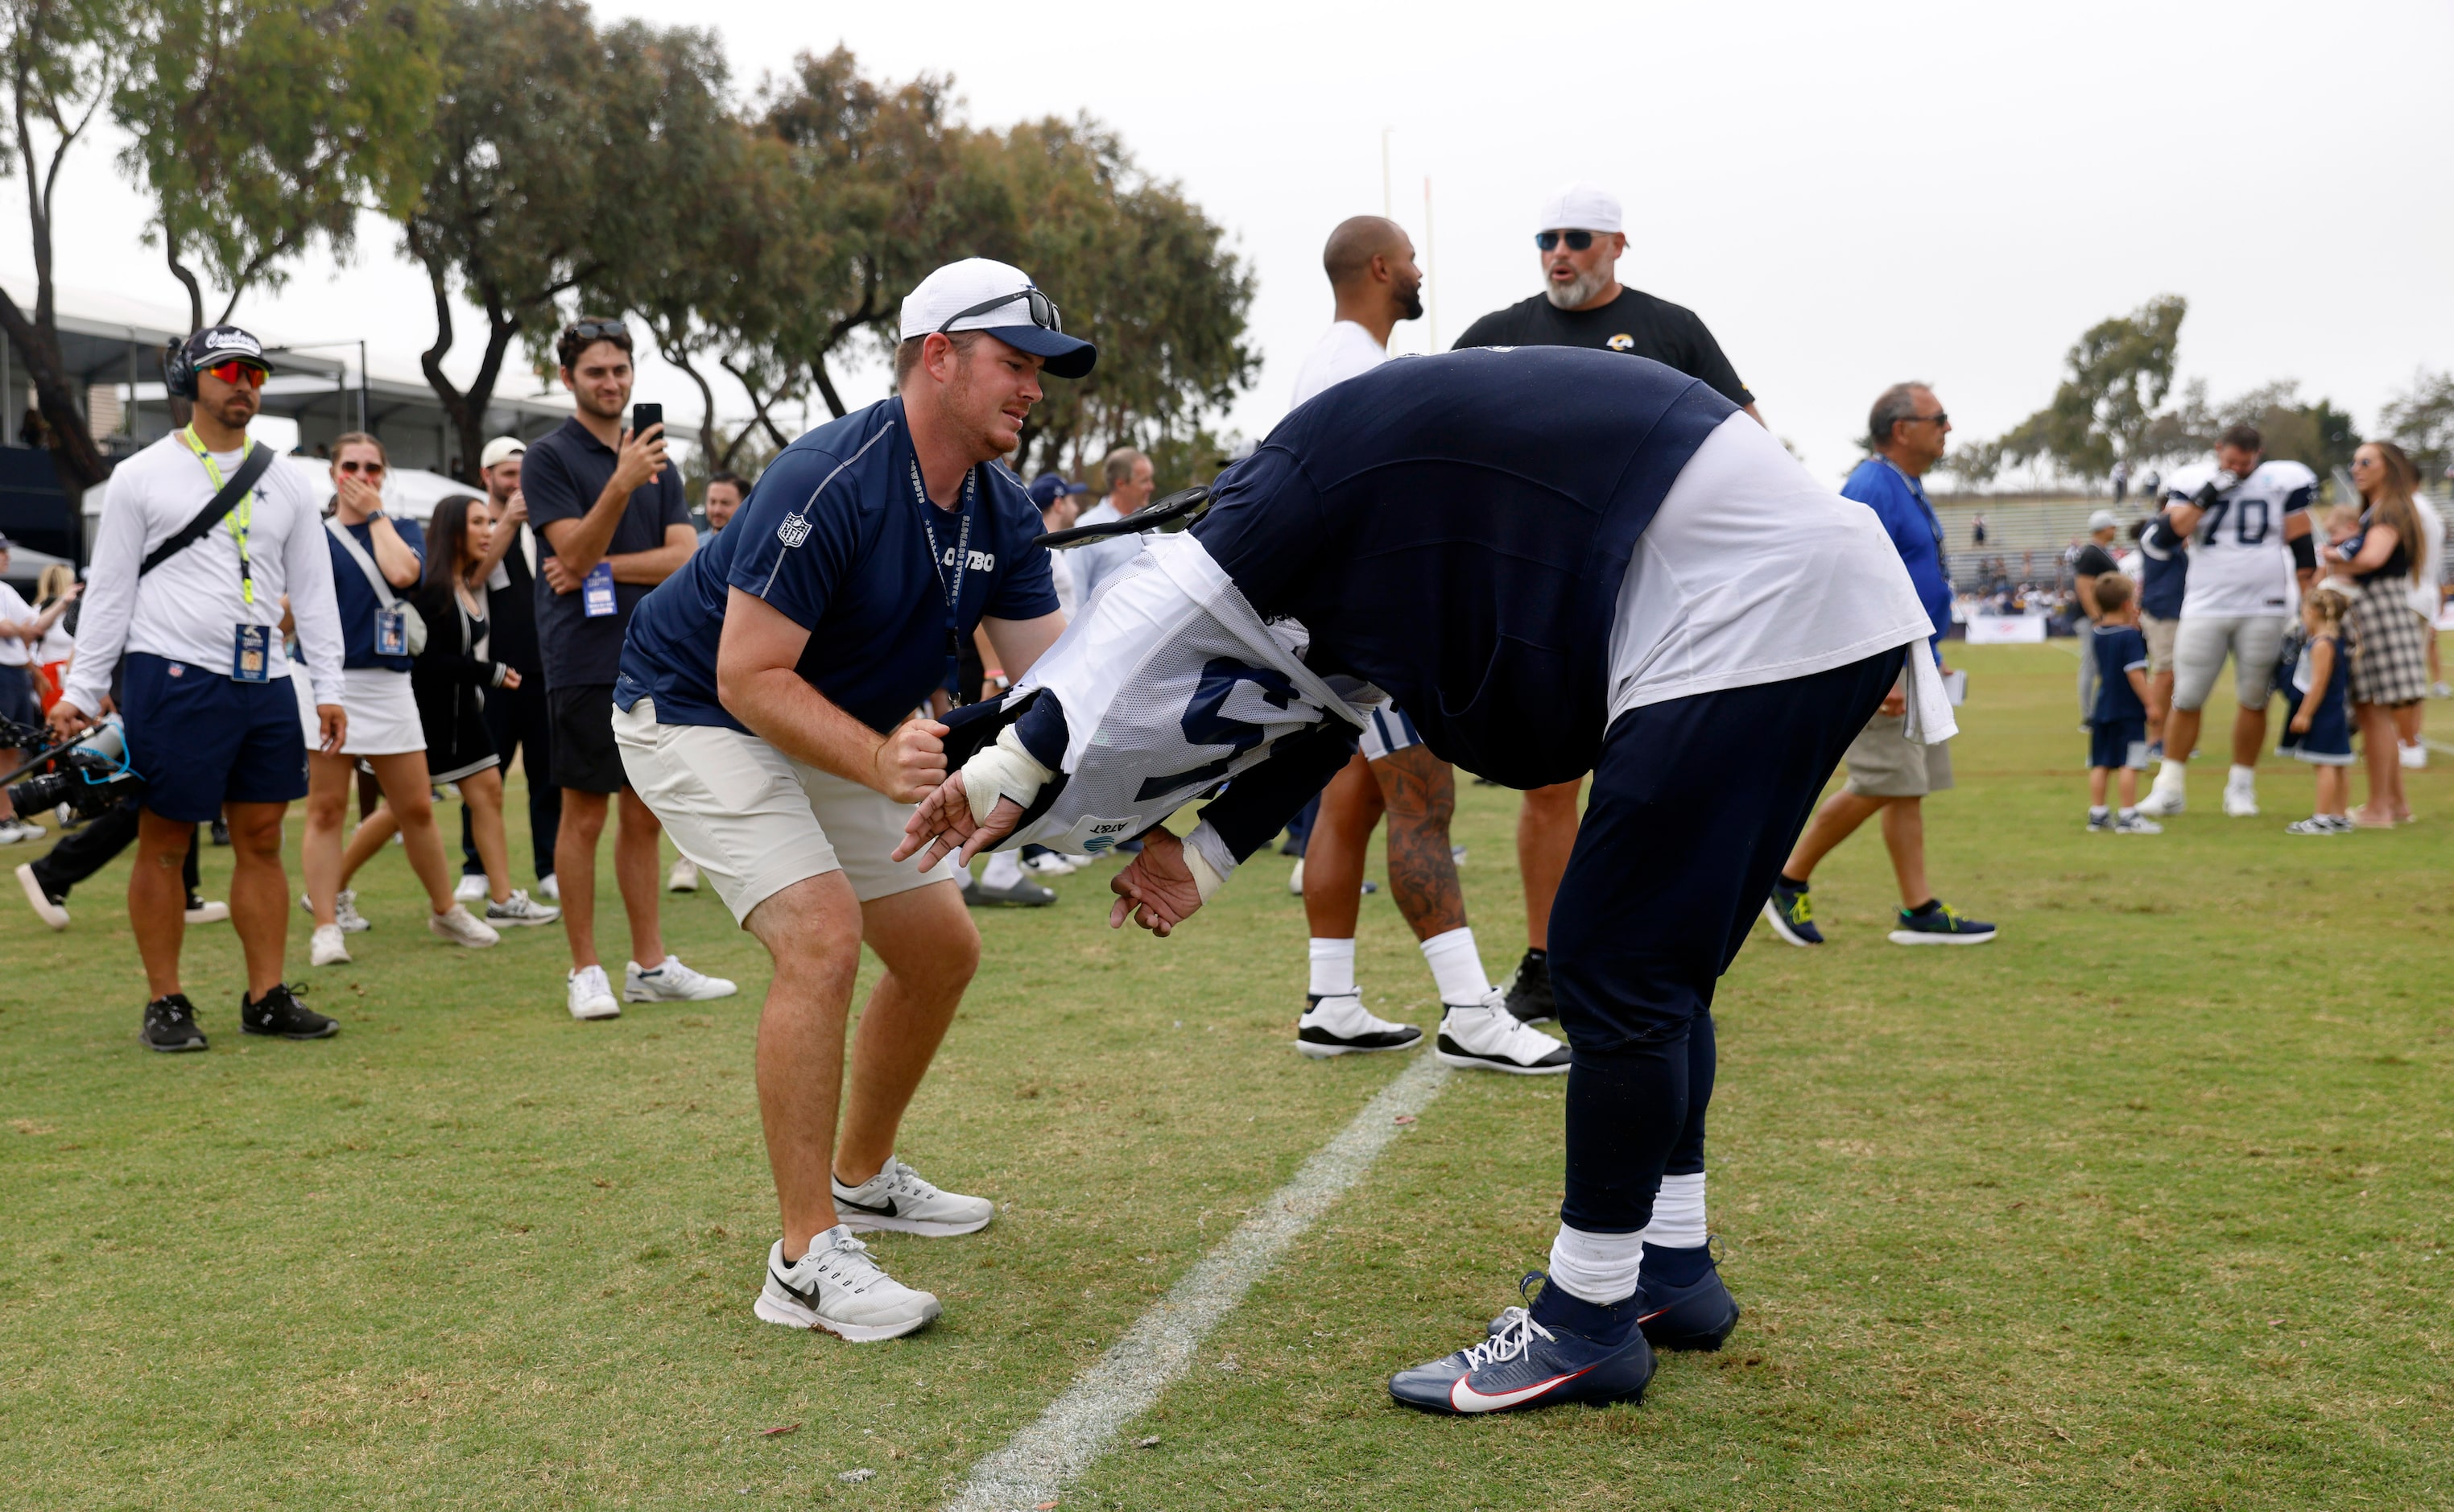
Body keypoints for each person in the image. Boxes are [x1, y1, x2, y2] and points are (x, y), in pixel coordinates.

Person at [897, 344, 1948, 1414]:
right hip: (1813, 601)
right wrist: (1209, 852)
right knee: (1661, 973)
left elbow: (1147, 619)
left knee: (1614, 963)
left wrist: (1011, 760)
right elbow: (1331, 700)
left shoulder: (1311, 473)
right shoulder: (1384, 484)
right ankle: (1668, 1267)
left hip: (1743, 611)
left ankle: (1587, 1318)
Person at [612, 257, 1084, 1341]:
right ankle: (803, 1256)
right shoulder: (829, 472)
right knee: (820, 937)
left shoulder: (1003, 510)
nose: (1033, 387)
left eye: (1040, 369)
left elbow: (1061, 679)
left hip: (830, 727)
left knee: (941, 950)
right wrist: (881, 760)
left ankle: (862, 1175)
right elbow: (745, 675)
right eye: (1015, 362)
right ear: (938, 356)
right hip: (694, 707)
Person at [1452, 181, 1765, 1020]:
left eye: (1578, 238)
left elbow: (1749, 437)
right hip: (1545, 588)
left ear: (1618, 245)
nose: (1559, 251)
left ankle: (1641, 949)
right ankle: (1546, 959)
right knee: (1549, 783)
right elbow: (1436, 435)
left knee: (1657, 776)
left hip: (1663, 586)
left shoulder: (1671, 330)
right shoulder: (1500, 337)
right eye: (1546, 238)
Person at [1281, 214, 1556, 1068]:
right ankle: (1471, 1011)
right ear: (1378, 266)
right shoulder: (1360, 369)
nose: (1417, 267)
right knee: (1423, 802)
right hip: (1368, 629)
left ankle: (1330, 1000)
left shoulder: (1329, 362)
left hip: (1336, 624)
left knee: (1352, 803)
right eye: (1408, 257)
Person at [49, 324, 345, 1051]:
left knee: (264, 838)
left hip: (266, 680)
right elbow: (110, 592)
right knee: (165, 841)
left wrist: (329, 684)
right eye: (227, 370)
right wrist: (81, 691)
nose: (243, 383)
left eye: (255, 372)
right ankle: (166, 1001)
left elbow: (314, 593)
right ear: (192, 380)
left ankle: (266, 996)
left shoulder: (287, 479)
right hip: (172, 677)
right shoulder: (141, 475)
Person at [521, 316, 732, 1018]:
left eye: (620, 370)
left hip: (657, 655)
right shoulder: (548, 458)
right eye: (595, 372)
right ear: (567, 380)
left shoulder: (655, 456)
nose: (611, 383)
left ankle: (649, 963)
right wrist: (618, 486)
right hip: (582, 657)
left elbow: (680, 555)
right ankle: (585, 970)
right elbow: (567, 554)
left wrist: (599, 563)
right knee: (583, 815)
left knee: (646, 814)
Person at [1765, 383, 1996, 948]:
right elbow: (1850, 575)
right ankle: (1786, 877)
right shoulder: (1871, 485)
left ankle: (1917, 909)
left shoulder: (1904, 485)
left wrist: (1927, 659)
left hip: (1913, 656)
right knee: (1880, 781)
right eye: (1939, 418)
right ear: (1901, 429)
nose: (1948, 427)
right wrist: (1889, 668)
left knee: (1905, 787)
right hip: (1883, 658)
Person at [296, 435, 501, 964]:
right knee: (326, 808)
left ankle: (445, 909)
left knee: (414, 805)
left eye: (372, 467)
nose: (361, 475)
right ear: (333, 472)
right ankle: (326, 925)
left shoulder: (402, 528)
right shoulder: (314, 535)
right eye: (350, 466)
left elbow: (404, 574)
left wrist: (377, 515)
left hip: (389, 682)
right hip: (329, 680)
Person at [341, 495, 560, 929]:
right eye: (478, 523)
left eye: (489, 522)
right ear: (453, 531)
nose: (488, 531)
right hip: (427, 718)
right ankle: (327, 888)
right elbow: (426, 662)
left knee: (488, 793)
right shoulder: (432, 588)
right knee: (402, 810)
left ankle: (502, 900)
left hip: (463, 715)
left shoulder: (464, 581)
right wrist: (490, 672)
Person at [2136, 424, 2316, 819]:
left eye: (2245, 463)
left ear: (2259, 455)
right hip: (2205, 604)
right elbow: (2169, 535)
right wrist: (2207, 495)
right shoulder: (2193, 480)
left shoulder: (2280, 481)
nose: (2238, 468)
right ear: (2218, 450)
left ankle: (2241, 787)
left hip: (2265, 606)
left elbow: (2303, 547)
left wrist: (2308, 602)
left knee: (2254, 698)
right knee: (2187, 697)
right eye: (2231, 460)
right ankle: (2169, 787)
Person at [455, 436, 560, 906]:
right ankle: (474, 865)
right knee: (483, 771)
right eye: (508, 473)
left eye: (524, 473)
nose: (518, 482)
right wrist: (506, 522)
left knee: (547, 773)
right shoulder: (476, 524)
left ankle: (549, 866)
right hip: (491, 673)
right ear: (487, 476)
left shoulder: (546, 523)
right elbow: (471, 578)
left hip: (545, 671)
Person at [2335, 440, 2431, 827]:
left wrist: (2334, 556)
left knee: (2372, 711)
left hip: (2378, 609)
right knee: (2379, 715)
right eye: (2355, 462)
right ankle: (2395, 805)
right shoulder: (2385, 508)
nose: (2357, 469)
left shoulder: (2389, 509)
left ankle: (2378, 809)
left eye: (2366, 462)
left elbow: (2372, 558)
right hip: (2385, 607)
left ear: (2388, 469)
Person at [0, 535, 78, 844]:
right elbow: (10, 628)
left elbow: (37, 624)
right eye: (2, 551)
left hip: (16, 675)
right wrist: (22, 630)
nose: (7, 556)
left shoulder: (5, 590)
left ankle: (6, 817)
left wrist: (63, 602)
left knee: (10, 749)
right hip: (3, 674)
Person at [2083, 573, 2159, 834]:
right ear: (2128, 604)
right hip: (2129, 711)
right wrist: (2151, 704)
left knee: (2101, 762)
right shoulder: (2130, 638)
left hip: (2103, 708)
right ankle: (2128, 815)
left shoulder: (2098, 633)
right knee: (2131, 762)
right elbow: (2135, 675)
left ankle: (2098, 814)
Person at [2276, 585, 2353, 834]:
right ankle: (2339, 816)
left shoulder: (2321, 645)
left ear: (2312, 612)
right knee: (2338, 764)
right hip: (2334, 711)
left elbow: (2318, 684)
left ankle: (2322, 818)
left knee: (2325, 764)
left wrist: (2305, 713)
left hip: (2324, 713)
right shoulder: (2332, 641)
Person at [2394, 482, 2444, 767]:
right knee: (2410, 675)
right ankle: (2411, 739)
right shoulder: (2426, 509)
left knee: (2402, 677)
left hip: (2407, 596)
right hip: (2422, 595)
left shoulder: (2408, 508)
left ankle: (2409, 743)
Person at [2128, 516, 2187, 753]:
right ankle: (2155, 738)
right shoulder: (2158, 530)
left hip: (2178, 610)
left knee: (2178, 676)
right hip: (2164, 611)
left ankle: (2170, 735)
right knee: (2165, 674)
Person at [1070, 448, 1158, 605]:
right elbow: (1075, 592)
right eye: (1144, 481)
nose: (1151, 487)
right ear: (1121, 484)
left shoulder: (1153, 523)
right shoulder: (1087, 527)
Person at [2071, 510, 2122, 718]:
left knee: (2100, 665)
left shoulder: (2099, 551)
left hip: (2101, 617)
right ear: (2103, 529)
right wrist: (2096, 617)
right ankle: (2089, 715)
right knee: (2091, 665)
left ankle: (2101, 710)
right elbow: (2084, 587)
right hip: (2092, 618)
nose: (2115, 530)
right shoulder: (2091, 554)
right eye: (2112, 527)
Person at [699, 471, 746, 541]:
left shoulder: (755, 547)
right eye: (713, 502)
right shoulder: (694, 547)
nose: (717, 510)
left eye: (725, 503)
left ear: (743, 505)